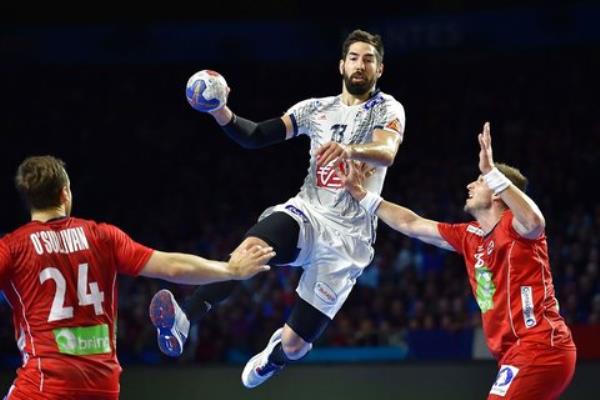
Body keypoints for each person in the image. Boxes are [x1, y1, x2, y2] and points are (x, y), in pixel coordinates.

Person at [149, 29, 405, 388]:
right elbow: (255, 135)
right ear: (341, 65)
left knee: (295, 344)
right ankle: (185, 318)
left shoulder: (388, 108)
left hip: (349, 239)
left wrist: (350, 150)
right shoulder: (315, 109)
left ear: (379, 69)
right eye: (353, 58)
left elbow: (387, 151)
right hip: (308, 213)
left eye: (368, 59)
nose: (360, 65)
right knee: (250, 249)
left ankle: (275, 357)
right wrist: (220, 110)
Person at [0, 156, 275, 400]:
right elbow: (172, 267)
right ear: (65, 193)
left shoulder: (13, 247)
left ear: (29, 200)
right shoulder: (102, 236)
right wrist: (231, 270)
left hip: (44, 384)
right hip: (104, 386)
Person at [336, 122, 576, 399]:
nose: (470, 185)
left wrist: (492, 172)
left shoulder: (517, 227)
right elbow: (412, 224)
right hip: (513, 354)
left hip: (541, 346)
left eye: (480, 181)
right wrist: (361, 195)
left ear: (497, 191)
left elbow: (535, 221)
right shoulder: (469, 235)